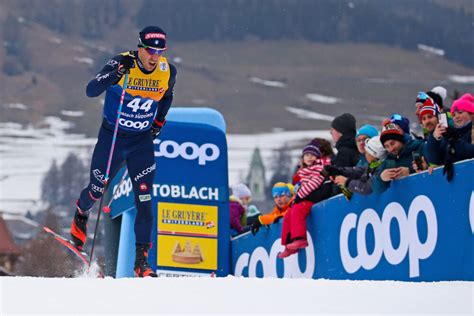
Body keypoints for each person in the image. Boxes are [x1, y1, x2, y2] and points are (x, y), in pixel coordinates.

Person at [69, 26, 177, 278]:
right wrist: (116, 74)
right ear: (140, 48)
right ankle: (81, 212)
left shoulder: (167, 71)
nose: (155, 56)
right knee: (96, 190)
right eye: (150, 50)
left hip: (141, 142)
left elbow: (167, 97)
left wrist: (159, 122)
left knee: (145, 198)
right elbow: (91, 90)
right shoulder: (121, 62)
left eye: (160, 51)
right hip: (113, 138)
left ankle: (142, 262)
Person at [278, 141, 325, 259]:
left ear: (317, 157)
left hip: (310, 198)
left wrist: (299, 197)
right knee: (288, 215)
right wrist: (295, 198)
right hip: (303, 197)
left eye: (312, 155)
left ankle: (300, 239)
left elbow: (313, 184)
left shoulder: (318, 169)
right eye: (307, 155)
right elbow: (299, 187)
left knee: (297, 210)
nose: (310, 157)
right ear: (303, 158)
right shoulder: (302, 172)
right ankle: (288, 245)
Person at [425, 93, 474, 180]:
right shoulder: (450, 135)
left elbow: (471, 151)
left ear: (471, 114)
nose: (457, 117)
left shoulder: (469, 132)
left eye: (460, 112)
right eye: (454, 115)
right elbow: (434, 159)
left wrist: (455, 140)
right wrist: (435, 138)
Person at [371, 122, 424, 193]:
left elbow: (433, 166)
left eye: (392, 143)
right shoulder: (388, 161)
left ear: (400, 140)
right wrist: (382, 178)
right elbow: (376, 189)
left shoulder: (418, 148)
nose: (391, 149)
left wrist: (410, 171)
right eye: (387, 146)